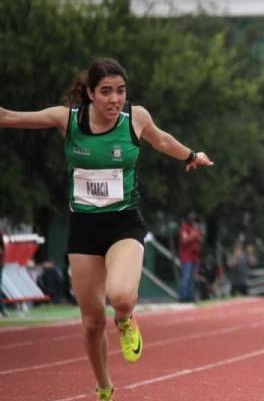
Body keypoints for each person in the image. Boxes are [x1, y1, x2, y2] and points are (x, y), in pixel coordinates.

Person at [0, 58, 213, 401]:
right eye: (106, 92)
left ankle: (126, 320)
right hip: (83, 228)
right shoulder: (67, 119)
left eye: (121, 91)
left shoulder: (135, 119)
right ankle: (104, 388)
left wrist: (191, 155)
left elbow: (162, 141)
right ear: (89, 94)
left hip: (123, 223)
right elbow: (9, 117)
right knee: (91, 322)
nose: (115, 99)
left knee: (122, 296)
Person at [178, 212, 203, 302]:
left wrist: (198, 234)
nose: (194, 221)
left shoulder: (195, 229)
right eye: (192, 220)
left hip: (195, 257)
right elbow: (184, 240)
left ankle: (190, 296)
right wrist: (193, 235)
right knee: (186, 277)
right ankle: (183, 297)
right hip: (186, 257)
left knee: (192, 278)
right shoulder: (184, 228)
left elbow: (200, 239)